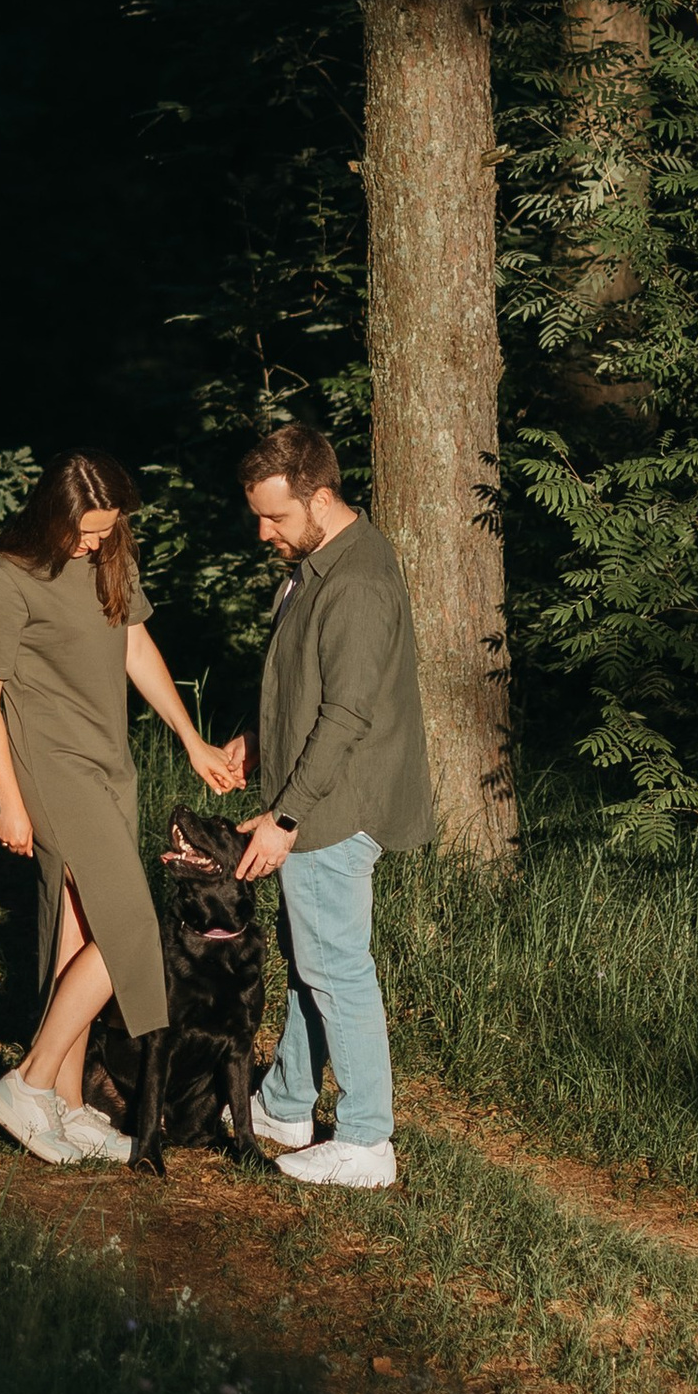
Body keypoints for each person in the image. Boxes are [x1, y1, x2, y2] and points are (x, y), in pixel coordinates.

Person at [0, 449, 243, 1166]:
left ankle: (64, 1098)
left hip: (112, 767)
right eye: (85, 530)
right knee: (133, 928)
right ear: (51, 514)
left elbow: (135, 645)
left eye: (106, 529)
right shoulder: (6, 578)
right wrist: (8, 802)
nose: (95, 542)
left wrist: (191, 739)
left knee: (81, 930)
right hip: (53, 770)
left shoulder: (110, 556)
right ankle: (27, 1084)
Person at [219, 422, 435, 1191]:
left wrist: (286, 816)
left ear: (318, 498)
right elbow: (307, 682)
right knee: (309, 957)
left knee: (336, 968)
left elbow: (346, 715)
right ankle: (285, 1105)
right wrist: (257, 737)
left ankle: (369, 1140)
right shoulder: (319, 564)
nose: (263, 532)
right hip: (316, 795)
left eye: (274, 516)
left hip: (335, 805)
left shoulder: (357, 582)